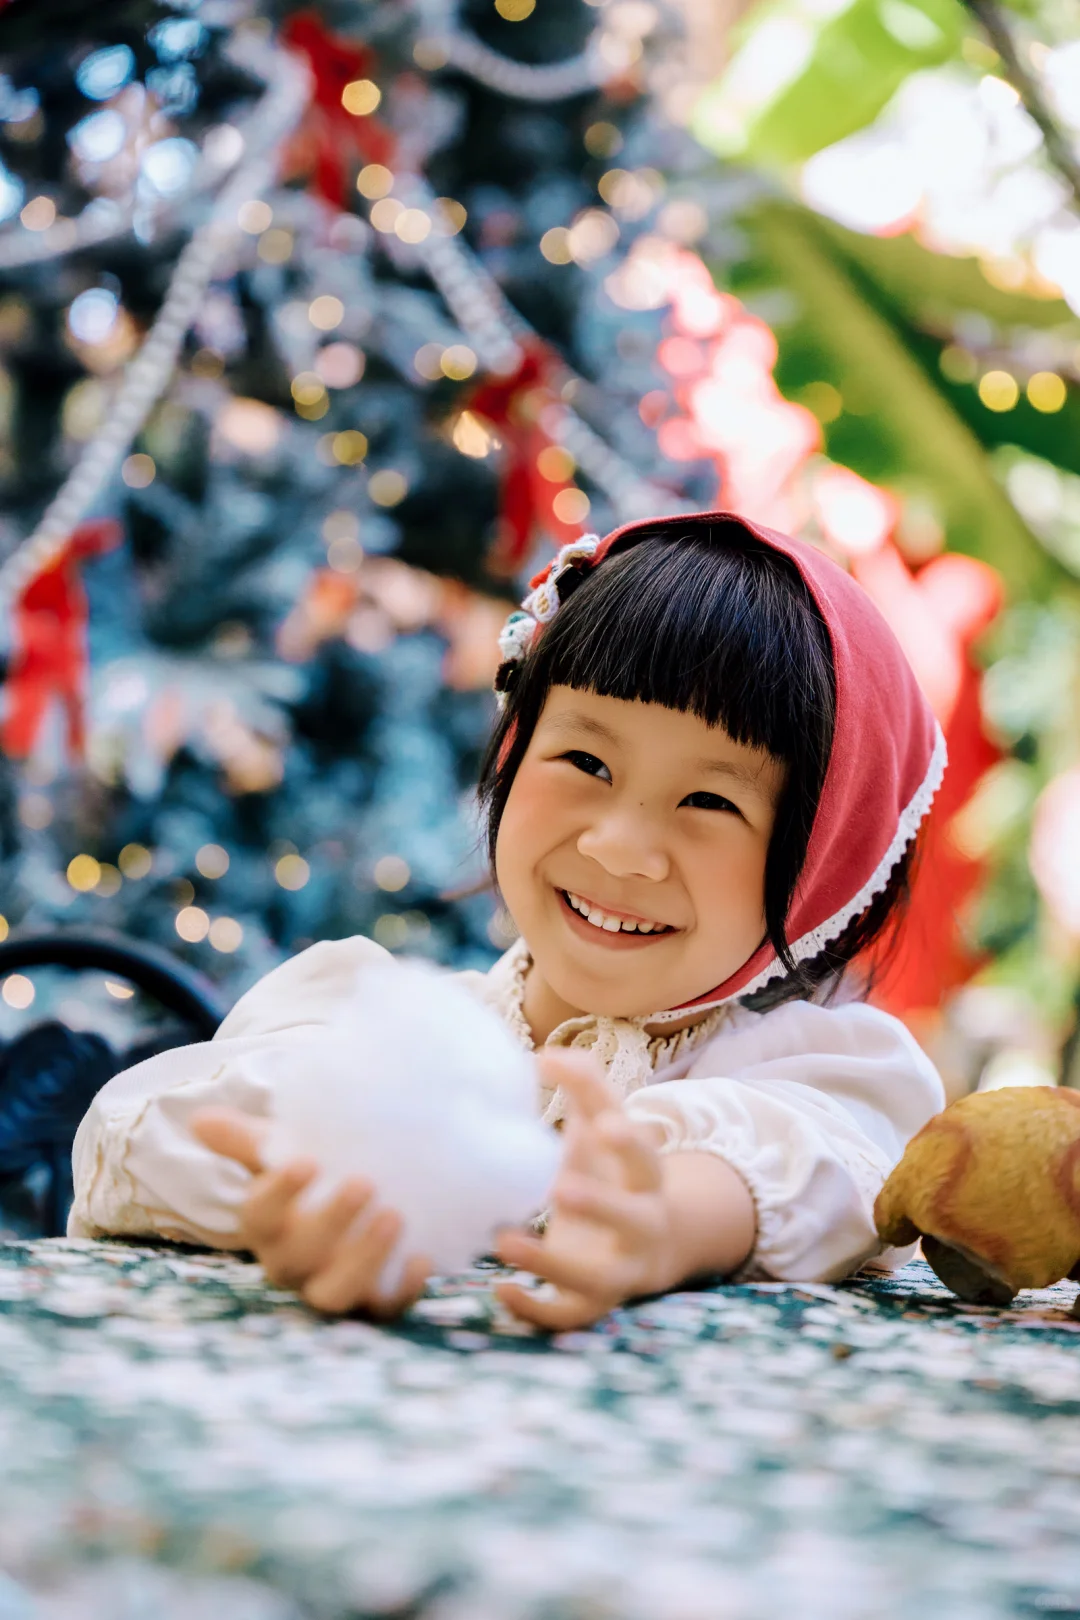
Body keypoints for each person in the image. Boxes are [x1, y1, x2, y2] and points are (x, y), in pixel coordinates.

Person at [69, 511, 947, 1329]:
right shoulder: (363, 1015)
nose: (620, 847)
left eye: (711, 800)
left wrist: (660, 1222)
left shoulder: (822, 1072)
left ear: (825, 864)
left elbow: (836, 1171)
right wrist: (285, 1197)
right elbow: (129, 1141)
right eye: (586, 760)